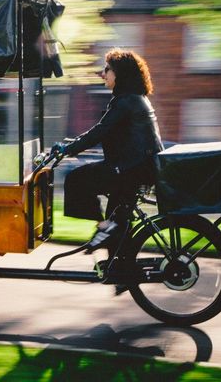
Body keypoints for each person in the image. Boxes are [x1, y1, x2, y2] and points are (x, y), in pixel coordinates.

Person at [51, 48, 164, 254]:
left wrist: (68, 149)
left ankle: (103, 227)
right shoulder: (134, 98)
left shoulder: (125, 101)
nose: (103, 74)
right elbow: (104, 131)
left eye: (107, 69)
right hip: (138, 167)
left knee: (76, 179)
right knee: (118, 220)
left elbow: (100, 131)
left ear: (120, 74)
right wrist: (72, 144)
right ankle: (120, 273)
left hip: (131, 170)